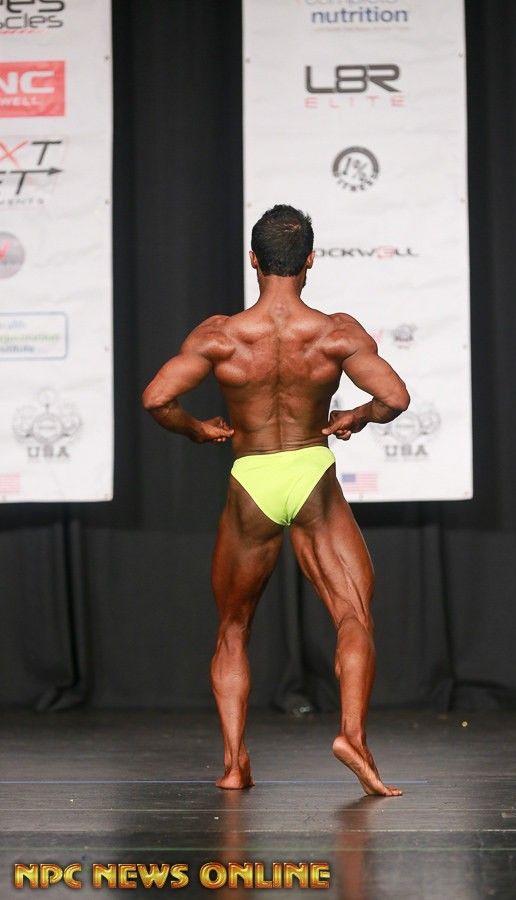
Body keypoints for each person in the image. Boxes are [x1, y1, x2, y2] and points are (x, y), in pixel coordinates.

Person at [142, 205, 410, 796]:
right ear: (310, 260)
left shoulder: (220, 336)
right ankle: (352, 736)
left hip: (253, 478)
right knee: (352, 615)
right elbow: (395, 397)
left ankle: (234, 764)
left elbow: (157, 398)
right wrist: (357, 416)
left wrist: (197, 430)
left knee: (233, 627)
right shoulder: (336, 333)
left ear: (253, 260)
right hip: (310, 472)